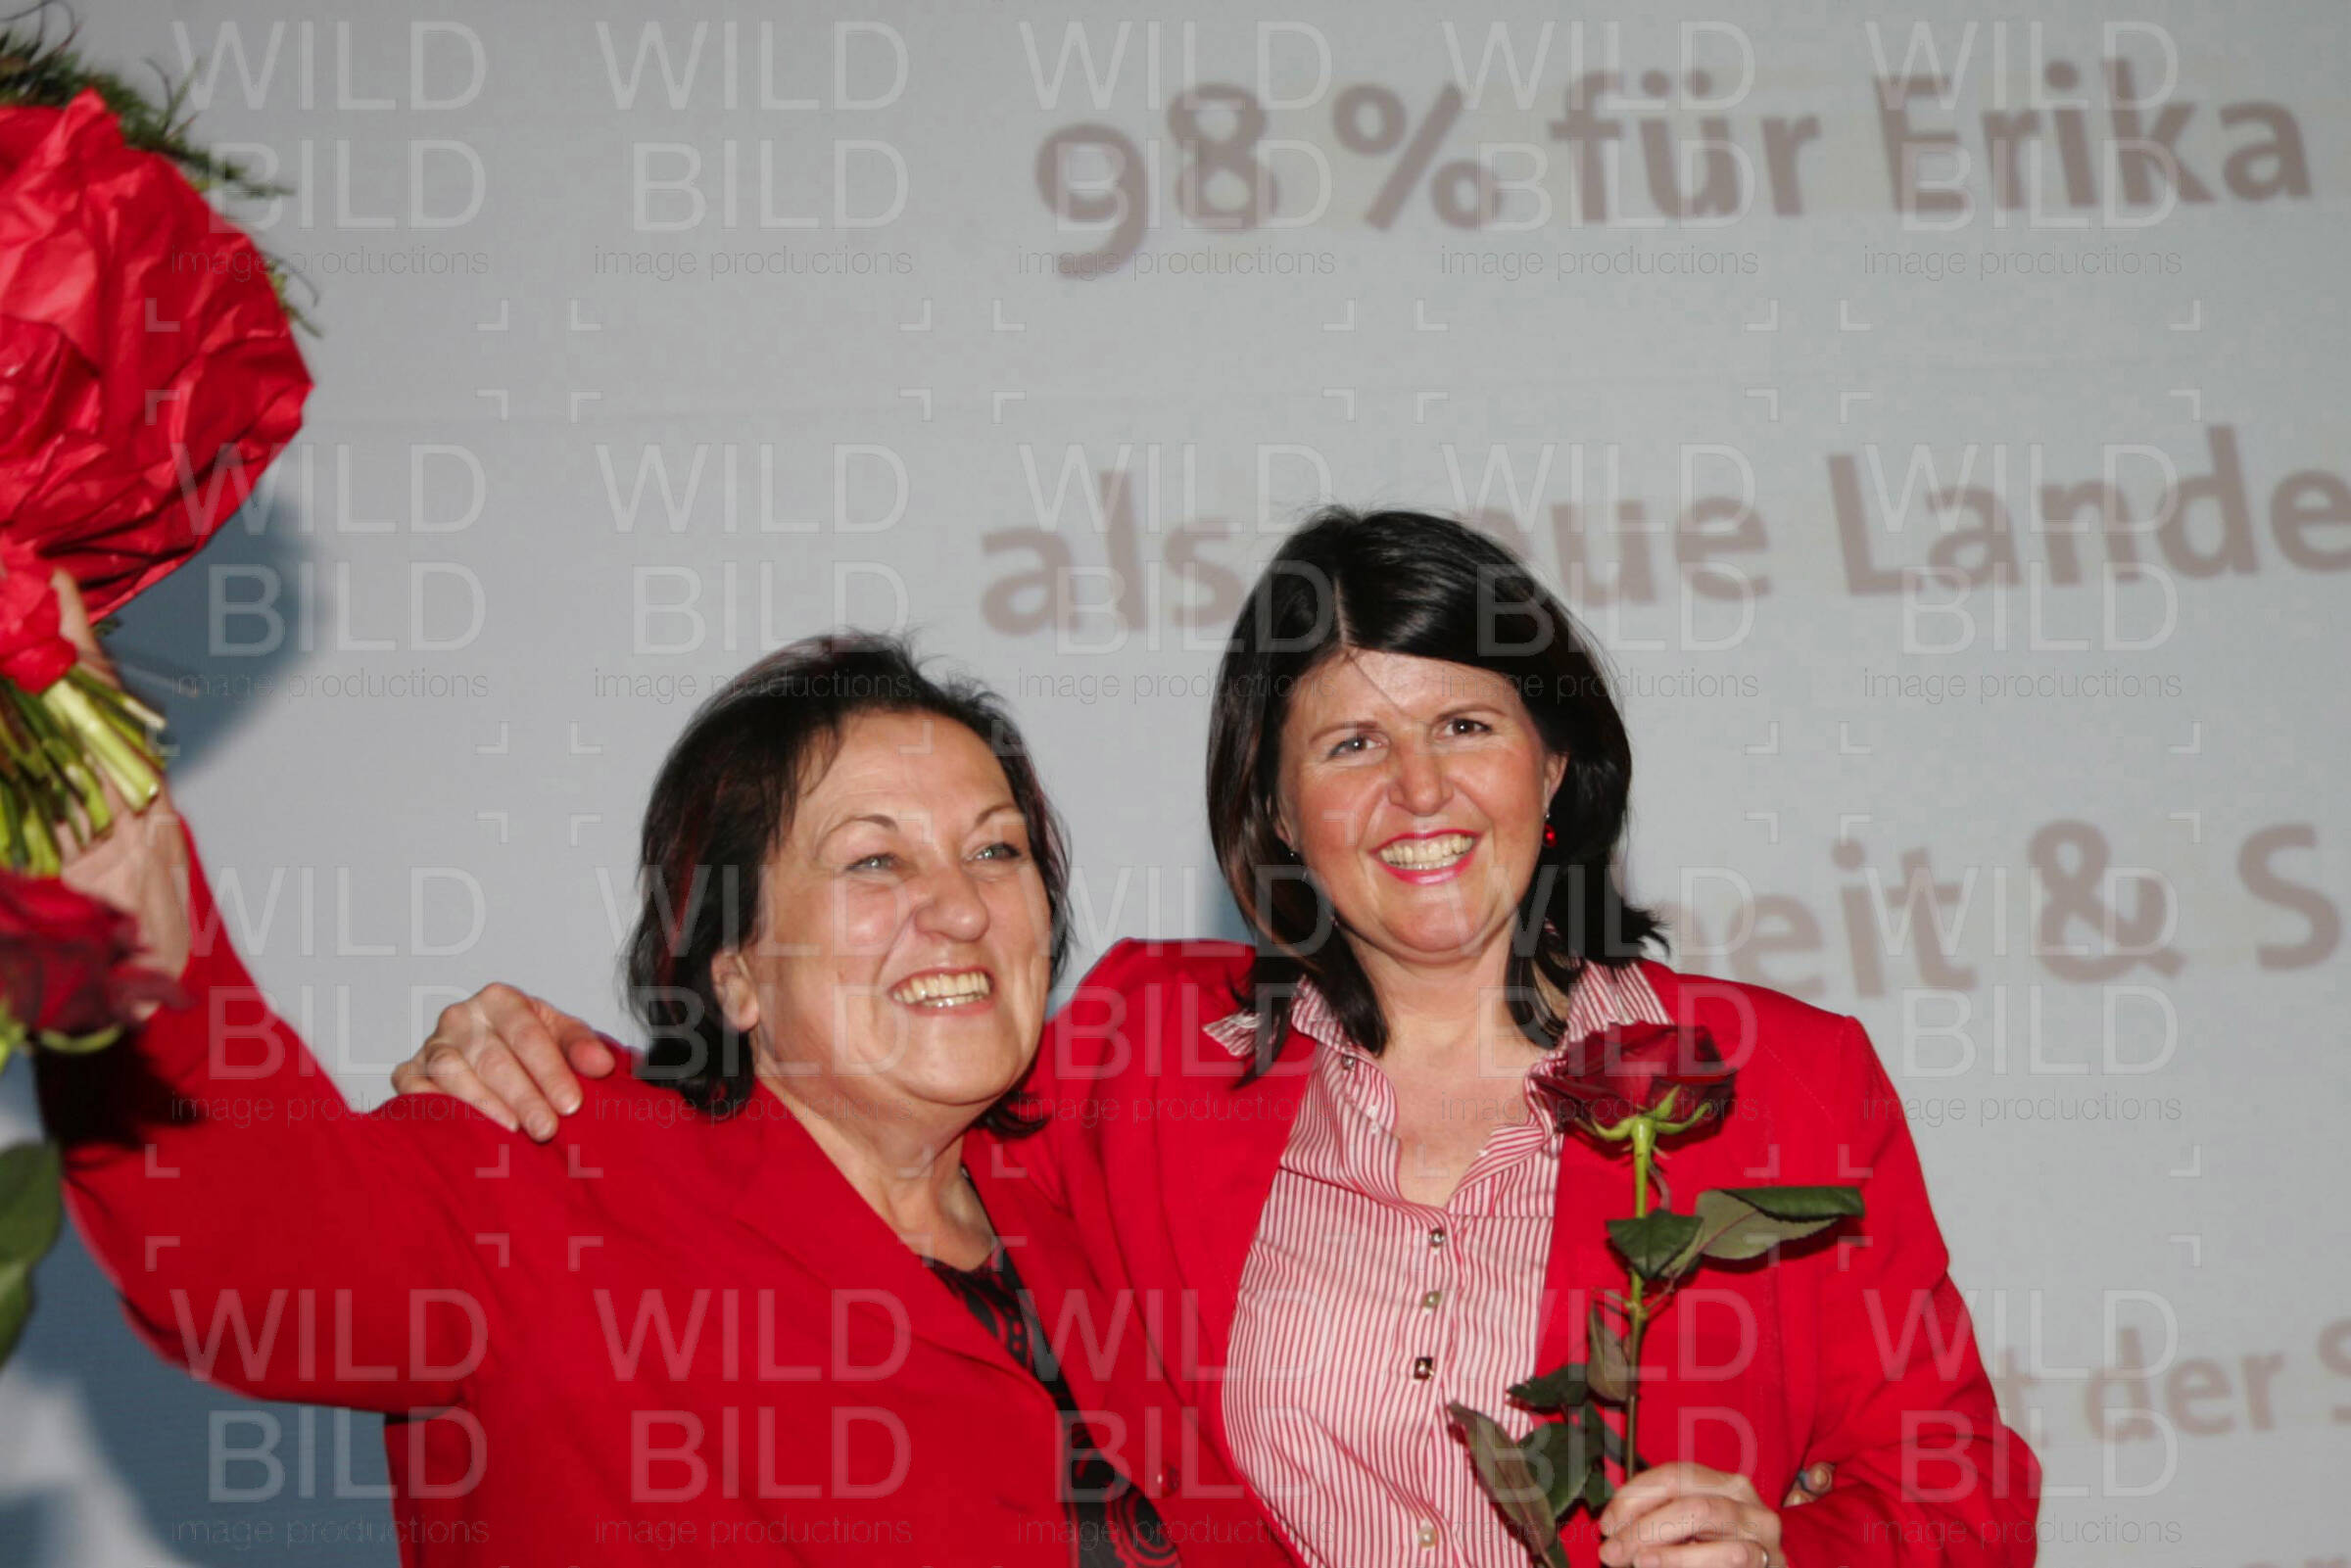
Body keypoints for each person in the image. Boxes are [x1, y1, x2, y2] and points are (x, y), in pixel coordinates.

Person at [397, 507, 2043, 1567]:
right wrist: (571, 1077)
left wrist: (1789, 1559)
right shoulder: (1140, 1052)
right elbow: (864, 1102)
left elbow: (1963, 1491)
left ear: (1555, 767)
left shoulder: (1786, 1080)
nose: (1417, 790)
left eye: (1467, 722)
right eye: (1349, 744)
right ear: (1276, 810)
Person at [40, 594, 1287, 1566]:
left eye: (997, 849)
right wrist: (133, 943)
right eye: (873, 861)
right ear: (734, 967)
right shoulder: (553, 1166)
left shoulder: (1111, 1199)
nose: (959, 907)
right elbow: (249, 1252)